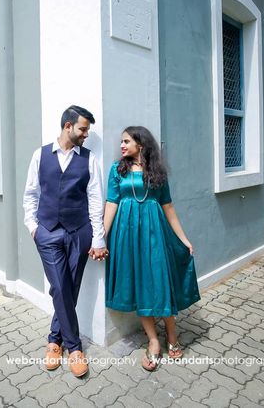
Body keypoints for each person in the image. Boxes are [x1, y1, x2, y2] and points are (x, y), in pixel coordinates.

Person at [103, 126, 200, 371]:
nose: (122, 146)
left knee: (159, 283)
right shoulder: (117, 169)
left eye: (126, 141)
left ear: (141, 144)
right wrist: (101, 236)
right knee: (139, 284)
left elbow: (168, 207)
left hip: (155, 231)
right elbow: (112, 203)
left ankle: (172, 334)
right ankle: (154, 341)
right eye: (121, 142)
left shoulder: (157, 172)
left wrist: (184, 238)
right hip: (126, 233)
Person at [23, 105, 109, 377]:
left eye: (88, 130)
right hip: (47, 232)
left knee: (68, 288)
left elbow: (96, 199)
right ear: (68, 126)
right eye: (83, 129)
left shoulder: (89, 158)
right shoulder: (40, 155)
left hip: (78, 232)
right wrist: (33, 227)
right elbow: (30, 194)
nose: (86, 134)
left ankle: (53, 341)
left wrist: (97, 238)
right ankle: (74, 347)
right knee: (60, 287)